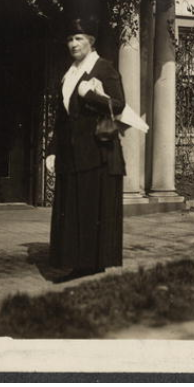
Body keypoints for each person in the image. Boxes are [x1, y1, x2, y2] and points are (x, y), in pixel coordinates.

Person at [45, 16, 126, 282]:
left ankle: (89, 265)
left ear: (90, 41)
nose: (73, 43)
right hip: (72, 154)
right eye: (69, 39)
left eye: (78, 38)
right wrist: (52, 150)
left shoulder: (104, 69)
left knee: (90, 208)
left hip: (97, 154)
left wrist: (88, 94)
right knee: (73, 208)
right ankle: (75, 262)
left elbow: (120, 105)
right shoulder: (69, 74)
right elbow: (61, 118)